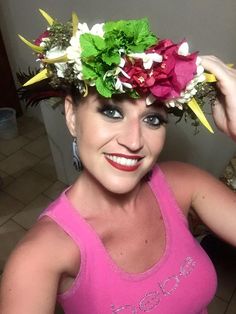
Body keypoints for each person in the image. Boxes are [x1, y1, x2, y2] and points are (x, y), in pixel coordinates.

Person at [0, 10, 236, 314]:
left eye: (152, 119)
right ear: (72, 115)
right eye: (112, 112)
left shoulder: (185, 183)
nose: (135, 141)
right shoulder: (39, 257)